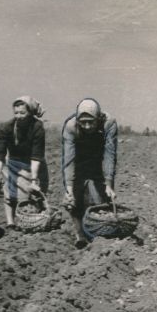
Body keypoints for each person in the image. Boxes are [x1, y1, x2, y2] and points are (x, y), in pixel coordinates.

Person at [61, 98, 118, 248]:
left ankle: (99, 233)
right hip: (78, 159)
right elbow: (68, 160)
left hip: (97, 159)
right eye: (83, 122)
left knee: (101, 198)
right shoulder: (71, 126)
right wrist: (68, 188)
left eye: (91, 122)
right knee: (73, 199)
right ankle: (79, 234)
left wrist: (108, 184)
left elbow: (109, 155)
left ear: (98, 118)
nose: (86, 126)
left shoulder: (109, 124)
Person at [0, 96, 48, 230]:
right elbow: (0, 154)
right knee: (9, 193)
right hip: (13, 162)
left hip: (33, 164)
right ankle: (10, 222)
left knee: (34, 193)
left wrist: (34, 179)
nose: (19, 116)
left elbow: (36, 156)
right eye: (16, 113)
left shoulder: (37, 127)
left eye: (22, 113)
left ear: (30, 113)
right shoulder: (7, 127)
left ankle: (34, 221)